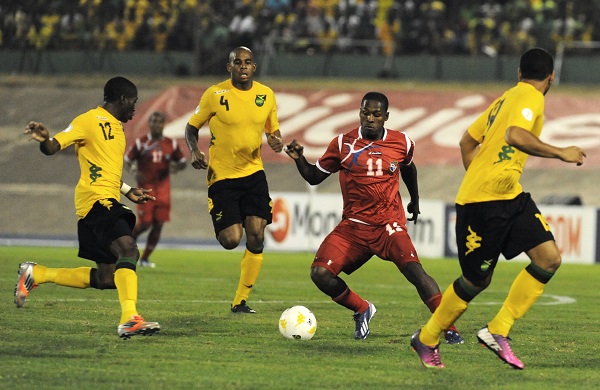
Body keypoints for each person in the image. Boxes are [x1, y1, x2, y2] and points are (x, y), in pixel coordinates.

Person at [410, 48, 587, 369]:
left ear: (519, 73)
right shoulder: (532, 97)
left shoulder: (503, 100)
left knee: (549, 259)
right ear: (551, 77)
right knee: (476, 281)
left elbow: (467, 141)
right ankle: (426, 337)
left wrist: (479, 175)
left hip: (508, 195)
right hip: (482, 202)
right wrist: (561, 152)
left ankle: (497, 330)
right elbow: (515, 135)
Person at [284, 92, 463, 342]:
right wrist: (299, 159)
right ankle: (362, 309)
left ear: (386, 117)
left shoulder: (402, 142)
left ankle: (449, 328)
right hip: (353, 227)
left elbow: (408, 167)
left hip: (388, 225)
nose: (370, 118)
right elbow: (314, 176)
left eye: (376, 114)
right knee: (320, 274)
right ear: (359, 113)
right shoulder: (342, 144)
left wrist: (415, 199)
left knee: (416, 272)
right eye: (365, 113)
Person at [17, 76, 161, 339]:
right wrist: (44, 140)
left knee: (108, 278)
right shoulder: (88, 120)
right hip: (96, 201)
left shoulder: (117, 129)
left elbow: (106, 171)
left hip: (105, 200)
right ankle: (130, 318)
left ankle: (37, 273)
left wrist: (129, 191)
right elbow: (52, 146)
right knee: (128, 249)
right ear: (123, 98)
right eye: (134, 102)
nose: (135, 108)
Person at [184, 46, 283, 314]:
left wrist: (276, 140)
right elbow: (191, 127)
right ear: (229, 67)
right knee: (230, 239)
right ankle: (223, 220)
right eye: (237, 62)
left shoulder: (266, 94)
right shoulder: (215, 94)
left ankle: (240, 300)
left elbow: (273, 131)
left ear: (254, 67)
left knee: (256, 236)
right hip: (222, 176)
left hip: (253, 173)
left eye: (247, 62)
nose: (242, 66)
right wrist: (194, 150)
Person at [125, 111, 187, 268]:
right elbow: (127, 160)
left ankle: (145, 258)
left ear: (164, 124)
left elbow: (183, 161)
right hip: (145, 190)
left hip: (163, 189)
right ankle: (126, 244)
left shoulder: (170, 144)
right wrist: (134, 172)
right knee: (145, 223)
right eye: (153, 121)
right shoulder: (142, 143)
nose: (156, 124)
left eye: (159, 121)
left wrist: (176, 166)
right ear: (149, 123)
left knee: (159, 223)